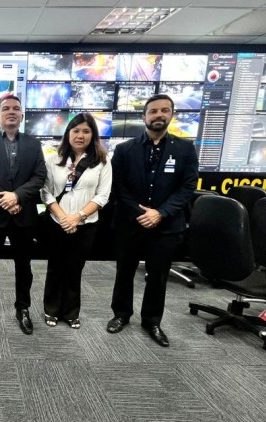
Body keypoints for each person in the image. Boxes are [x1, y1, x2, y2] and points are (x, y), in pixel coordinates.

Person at [107, 93, 199, 347]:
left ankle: (152, 321)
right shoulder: (125, 149)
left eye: (164, 110)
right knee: (124, 272)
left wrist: (161, 212)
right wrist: (140, 213)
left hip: (166, 225)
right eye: (154, 111)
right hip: (130, 223)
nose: (159, 115)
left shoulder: (185, 149)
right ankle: (121, 314)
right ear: (144, 116)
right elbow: (117, 186)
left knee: (158, 277)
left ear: (171, 115)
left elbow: (188, 186)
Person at [0, 94, 47, 335]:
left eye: (16, 108)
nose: (11, 112)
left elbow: (39, 176)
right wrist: (6, 199)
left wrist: (17, 196)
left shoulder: (33, 144)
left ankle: (23, 308)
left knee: (24, 266)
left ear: (22, 115)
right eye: (6, 109)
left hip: (23, 216)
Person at [40, 112, 112, 329]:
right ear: (68, 133)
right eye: (76, 130)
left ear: (93, 135)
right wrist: (63, 218)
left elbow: (102, 195)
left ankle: (71, 312)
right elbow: (45, 192)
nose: (80, 135)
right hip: (57, 223)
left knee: (74, 269)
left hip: (85, 224)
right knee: (55, 267)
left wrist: (78, 217)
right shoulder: (53, 160)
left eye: (86, 131)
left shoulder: (102, 161)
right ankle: (51, 309)